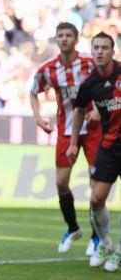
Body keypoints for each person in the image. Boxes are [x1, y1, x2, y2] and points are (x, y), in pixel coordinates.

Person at [30, 22, 101, 255]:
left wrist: (99, 110)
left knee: (95, 185)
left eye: (68, 35)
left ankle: (96, 235)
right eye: (60, 35)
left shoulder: (91, 63)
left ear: (76, 39)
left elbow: (110, 86)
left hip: (93, 130)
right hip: (66, 130)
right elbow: (33, 92)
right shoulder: (49, 69)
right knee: (61, 182)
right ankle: (72, 228)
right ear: (56, 39)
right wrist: (38, 117)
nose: (64, 38)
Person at [68, 32, 120, 271]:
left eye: (104, 48)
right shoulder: (89, 84)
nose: (100, 51)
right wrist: (73, 142)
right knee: (96, 198)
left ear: (113, 51)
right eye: (96, 47)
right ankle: (105, 243)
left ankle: (119, 251)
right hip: (108, 146)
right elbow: (79, 111)